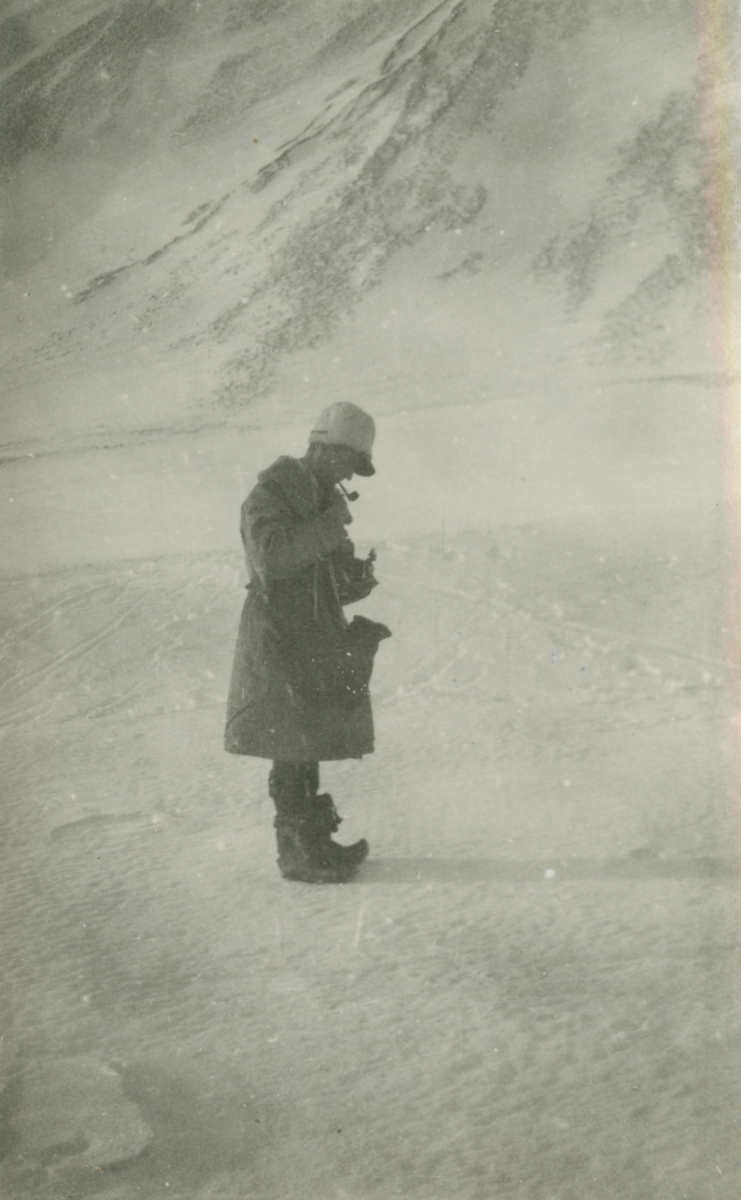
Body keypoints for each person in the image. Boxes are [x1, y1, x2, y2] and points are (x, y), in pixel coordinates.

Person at [225, 402, 391, 883]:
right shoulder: (270, 495)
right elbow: (273, 560)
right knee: (290, 741)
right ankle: (298, 853)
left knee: (308, 738)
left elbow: (323, 570)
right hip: (279, 635)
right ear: (319, 448)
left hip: (312, 632)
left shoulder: (318, 498)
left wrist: (355, 578)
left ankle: (314, 843)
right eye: (343, 460)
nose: (346, 473)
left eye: (352, 467)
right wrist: (326, 527)